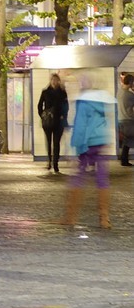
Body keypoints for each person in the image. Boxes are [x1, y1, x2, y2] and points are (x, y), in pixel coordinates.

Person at [63, 78, 117, 231]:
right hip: (102, 141)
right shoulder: (100, 102)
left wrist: (75, 148)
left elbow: (80, 126)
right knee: (102, 179)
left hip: (88, 143)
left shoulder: (83, 102)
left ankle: (71, 217)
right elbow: (107, 122)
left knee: (79, 178)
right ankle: (104, 218)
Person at [37, 72, 68, 175]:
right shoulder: (45, 92)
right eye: (53, 80)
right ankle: (49, 161)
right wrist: (42, 115)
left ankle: (55, 163)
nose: (54, 82)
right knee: (49, 141)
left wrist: (64, 115)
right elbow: (40, 105)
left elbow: (66, 105)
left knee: (56, 143)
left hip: (59, 120)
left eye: (56, 80)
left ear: (58, 81)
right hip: (48, 121)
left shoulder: (63, 92)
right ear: (50, 81)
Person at [118, 72, 134, 166]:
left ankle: (124, 160)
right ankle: (124, 160)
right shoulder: (129, 95)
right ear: (131, 82)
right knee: (129, 140)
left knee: (127, 141)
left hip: (120, 119)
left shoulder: (119, 92)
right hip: (129, 120)